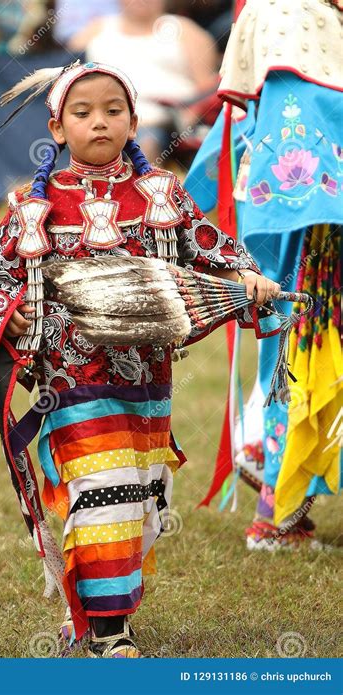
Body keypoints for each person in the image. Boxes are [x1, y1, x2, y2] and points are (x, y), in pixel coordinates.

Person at [0, 61, 280, 657]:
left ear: (133, 121)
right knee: (105, 489)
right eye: (83, 112)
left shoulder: (163, 197)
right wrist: (10, 312)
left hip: (148, 379)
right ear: (57, 126)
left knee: (142, 497)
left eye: (113, 111)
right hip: (70, 380)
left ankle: (103, 604)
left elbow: (208, 250)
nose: (99, 122)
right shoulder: (32, 207)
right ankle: (108, 629)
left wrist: (248, 279)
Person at [185, 0, 342, 549]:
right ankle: (278, 511)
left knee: (296, 360)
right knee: (297, 360)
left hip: (290, 219)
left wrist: (186, 203)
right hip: (308, 228)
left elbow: (230, 129)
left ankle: (281, 507)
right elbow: (292, 119)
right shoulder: (291, 13)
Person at [70, 0, 218, 162]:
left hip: (163, 119)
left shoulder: (186, 31)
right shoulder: (95, 31)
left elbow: (207, 88)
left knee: (145, 142)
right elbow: (67, 77)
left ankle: (144, 181)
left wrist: (190, 113)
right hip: (102, 116)